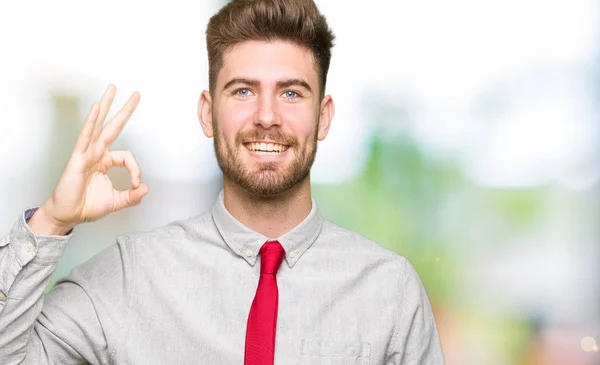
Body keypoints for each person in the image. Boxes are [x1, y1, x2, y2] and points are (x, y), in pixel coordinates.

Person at [0, 0, 444, 364]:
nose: (267, 117)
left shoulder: (389, 290)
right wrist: (51, 221)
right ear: (206, 113)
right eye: (243, 91)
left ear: (323, 116)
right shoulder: (128, 276)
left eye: (291, 93)